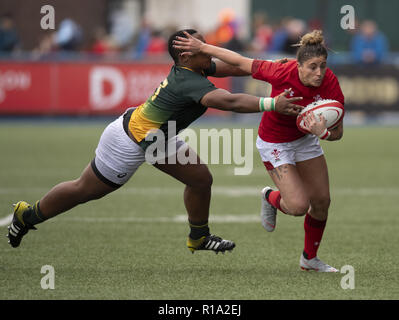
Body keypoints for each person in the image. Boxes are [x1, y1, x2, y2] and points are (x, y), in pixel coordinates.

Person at [7, 29, 303, 255]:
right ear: (185, 57)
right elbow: (231, 101)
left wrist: (269, 68)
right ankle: (27, 214)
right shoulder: (188, 80)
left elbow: (237, 67)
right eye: (199, 48)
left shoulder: (197, 66)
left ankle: (198, 236)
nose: (206, 52)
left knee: (200, 179)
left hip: (157, 136)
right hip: (130, 141)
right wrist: (271, 103)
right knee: (85, 190)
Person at [173, 29, 344, 271]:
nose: (319, 73)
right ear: (298, 66)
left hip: (305, 141)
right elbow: (239, 60)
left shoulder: (330, 83)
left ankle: (309, 259)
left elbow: (338, 133)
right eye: (313, 67)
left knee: (322, 201)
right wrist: (203, 48)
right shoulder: (281, 71)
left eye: (323, 66)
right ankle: (270, 197)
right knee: (297, 207)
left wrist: (323, 133)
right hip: (275, 143)